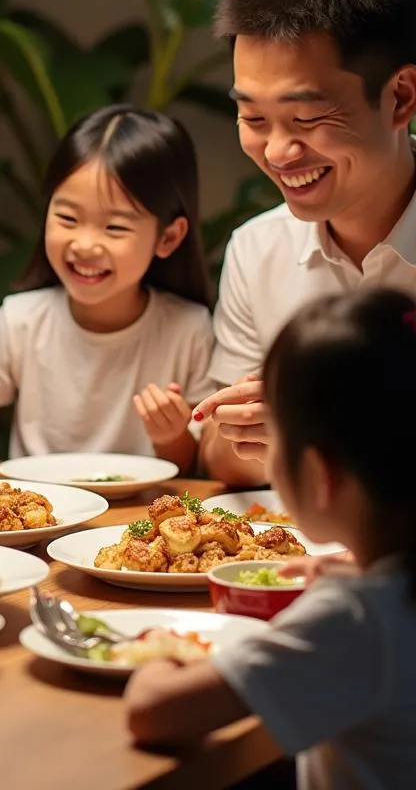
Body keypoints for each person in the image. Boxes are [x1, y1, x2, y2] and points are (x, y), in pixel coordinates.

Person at [125, 286, 416, 789]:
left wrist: (161, 649)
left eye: (272, 438)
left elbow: (154, 713)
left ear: (319, 475)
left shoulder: (353, 619)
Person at [194, 0, 416, 488]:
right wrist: (251, 423)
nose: (276, 152)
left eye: (308, 118)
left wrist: (323, 424)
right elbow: (219, 460)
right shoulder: (259, 248)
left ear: (402, 97)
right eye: (253, 118)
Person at [0, 104, 213, 473]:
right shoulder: (21, 321)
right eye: (67, 218)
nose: (84, 245)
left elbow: (192, 468)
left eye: (114, 228)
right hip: (35, 514)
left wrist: (170, 435)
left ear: (169, 237)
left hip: (139, 522)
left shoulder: (188, 329)